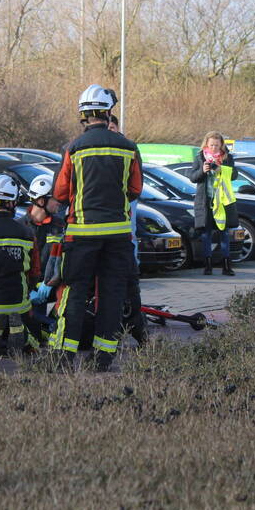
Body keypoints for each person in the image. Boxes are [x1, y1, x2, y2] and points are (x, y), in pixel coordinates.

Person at [50, 85, 142, 372]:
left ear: (83, 114)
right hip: (118, 234)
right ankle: (103, 357)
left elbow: (60, 192)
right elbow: (135, 189)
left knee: (74, 292)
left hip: (82, 234)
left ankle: (65, 355)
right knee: (112, 294)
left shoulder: (74, 148)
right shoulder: (128, 147)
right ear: (108, 112)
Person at [0, 176, 43, 355]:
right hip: (18, 303)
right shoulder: (27, 233)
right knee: (37, 339)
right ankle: (20, 332)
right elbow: (35, 272)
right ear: (13, 203)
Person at [108, 114, 147, 346]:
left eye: (113, 127)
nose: (110, 130)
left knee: (128, 244)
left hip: (122, 210)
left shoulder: (128, 148)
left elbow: (136, 183)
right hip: (108, 215)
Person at [188, 131, 238, 276]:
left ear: (221, 145)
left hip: (222, 201)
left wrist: (222, 169)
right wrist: (202, 171)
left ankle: (227, 266)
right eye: (211, 145)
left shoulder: (227, 157)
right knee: (206, 234)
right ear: (206, 144)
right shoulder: (200, 157)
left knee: (224, 233)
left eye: (217, 145)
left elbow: (235, 175)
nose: (214, 148)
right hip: (205, 201)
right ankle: (208, 266)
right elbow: (192, 177)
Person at [21, 174, 64, 337]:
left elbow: (63, 258)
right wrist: (28, 291)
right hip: (27, 290)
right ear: (41, 201)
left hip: (50, 287)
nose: (59, 202)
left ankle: (54, 324)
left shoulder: (59, 226)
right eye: (54, 198)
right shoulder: (20, 227)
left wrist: (51, 282)